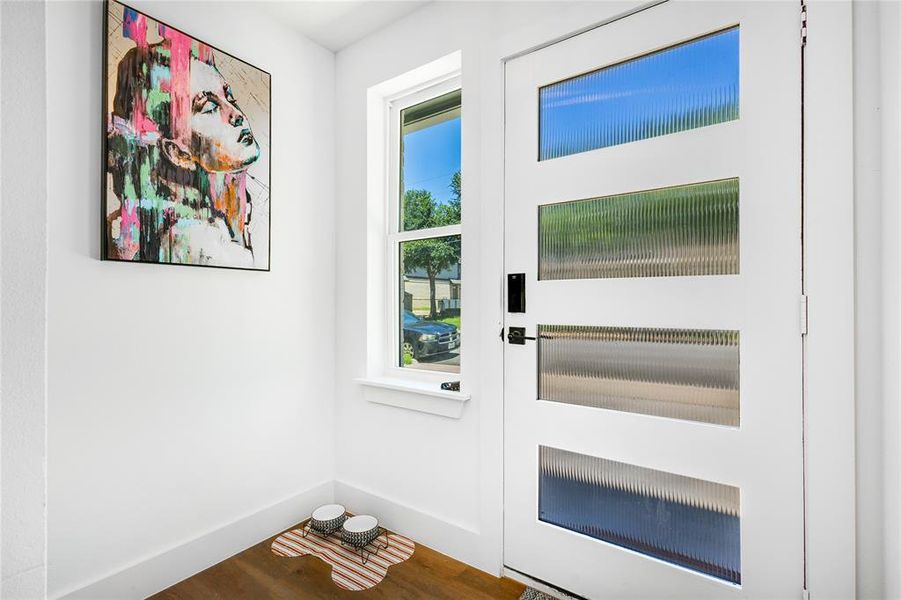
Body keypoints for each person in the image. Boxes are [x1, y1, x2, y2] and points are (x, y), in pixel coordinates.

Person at [106, 7, 262, 267]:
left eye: (229, 96)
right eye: (209, 107)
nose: (235, 115)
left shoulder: (223, 208)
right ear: (177, 152)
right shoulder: (191, 239)